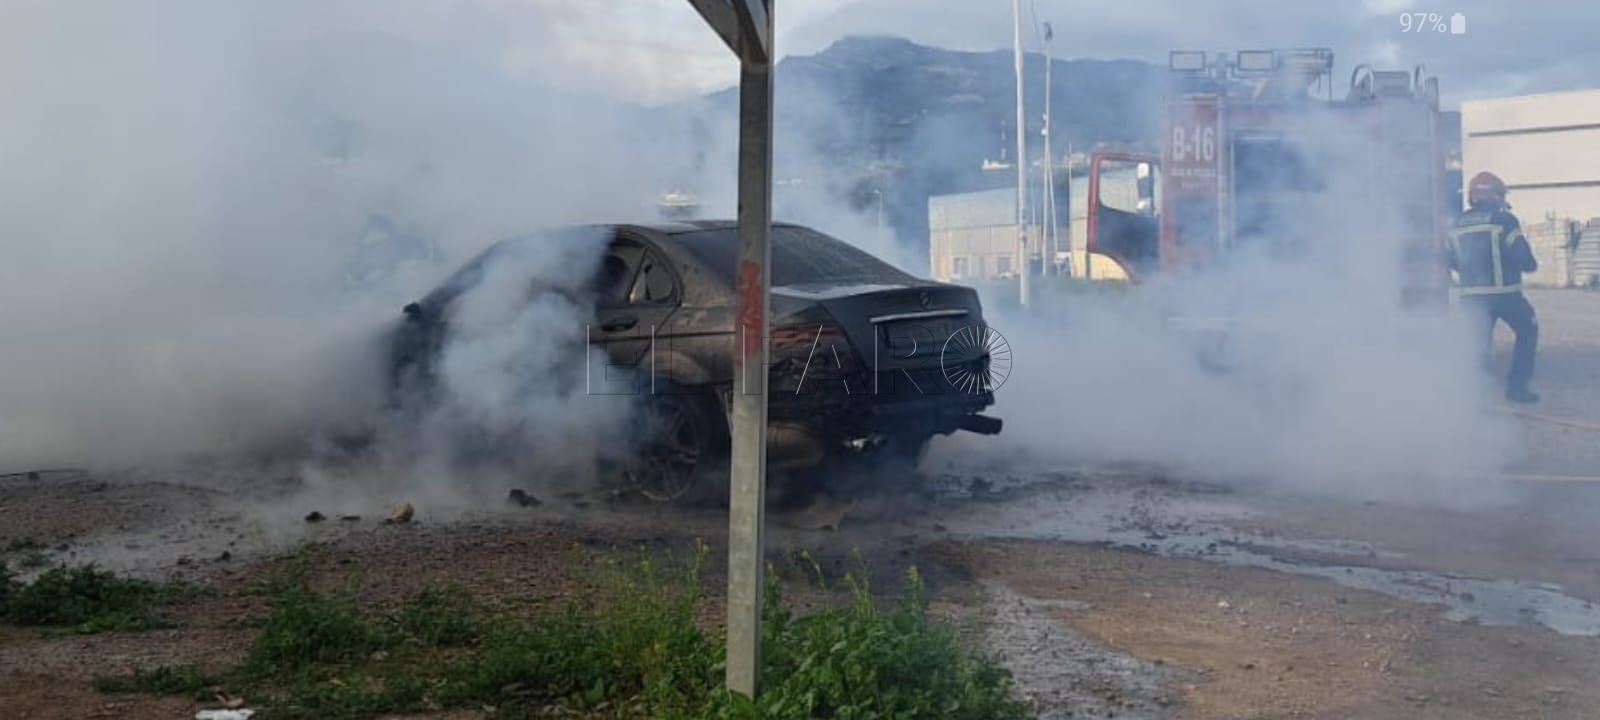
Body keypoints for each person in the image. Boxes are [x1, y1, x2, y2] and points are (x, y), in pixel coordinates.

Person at [1448, 171, 1540, 404]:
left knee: (1478, 345)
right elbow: (1523, 258)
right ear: (1495, 196)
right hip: (1505, 295)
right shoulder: (1503, 220)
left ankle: (1475, 396)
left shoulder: (1456, 223)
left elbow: (1450, 260)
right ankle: (1517, 389)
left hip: (1471, 298)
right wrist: (1529, 265)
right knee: (1527, 331)